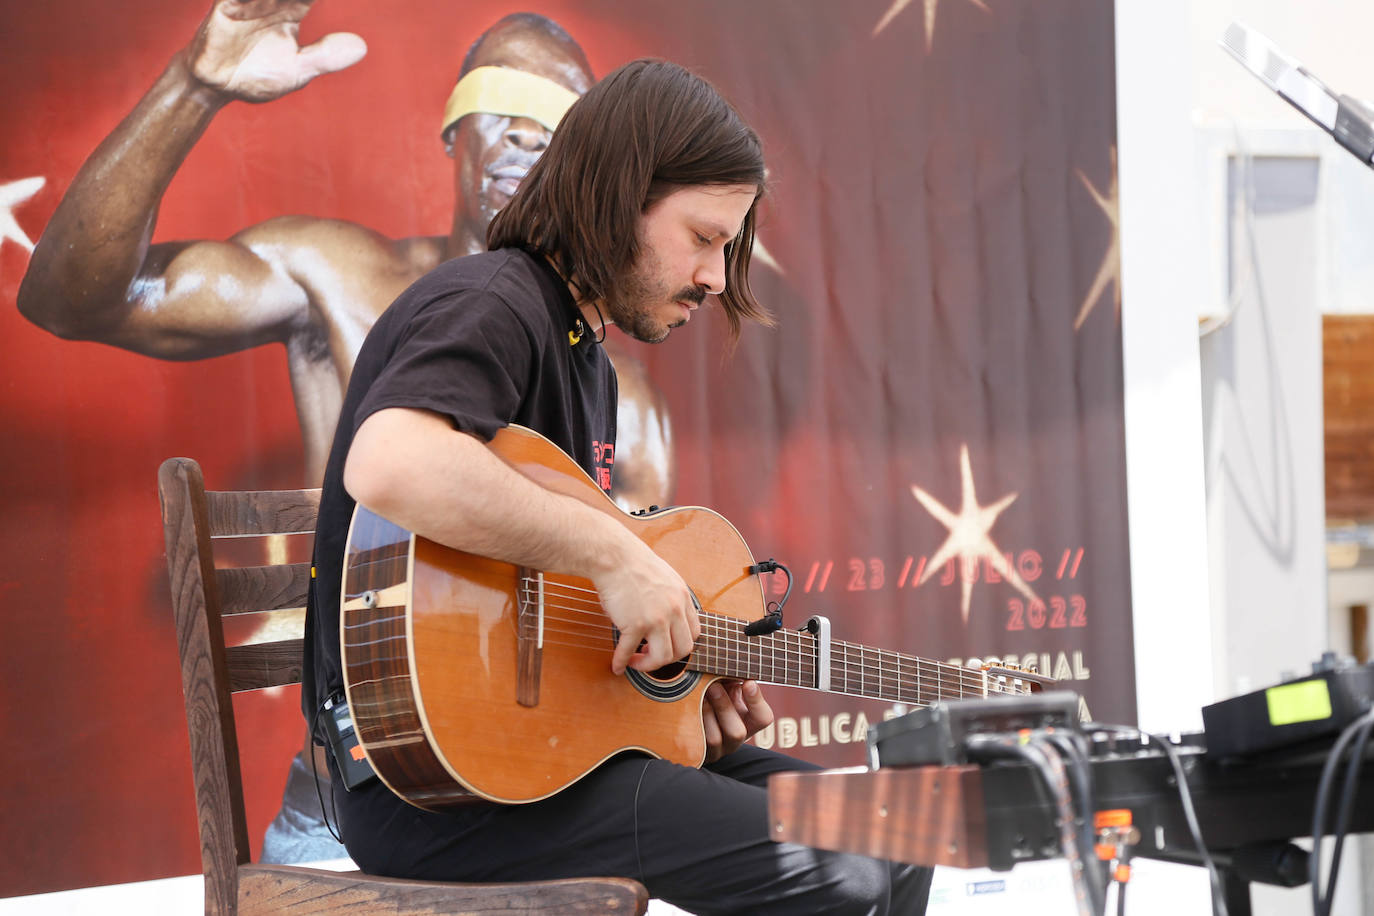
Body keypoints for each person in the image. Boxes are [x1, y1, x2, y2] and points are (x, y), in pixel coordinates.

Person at [15, 3, 673, 862]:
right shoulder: (340, 277)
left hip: (540, 801)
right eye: (502, 96)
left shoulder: (616, 390)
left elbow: (649, 633)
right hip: (365, 807)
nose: (524, 127)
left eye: (558, 112)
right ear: (452, 131)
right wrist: (192, 86)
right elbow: (69, 302)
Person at [305, 58, 932, 915]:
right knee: (835, 871)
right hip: (431, 787)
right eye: (705, 237)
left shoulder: (585, 360)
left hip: (550, 753)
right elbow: (390, 460)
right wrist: (614, 554)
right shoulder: (493, 299)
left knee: (896, 835)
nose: (716, 277)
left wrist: (680, 693)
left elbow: (549, 600)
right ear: (616, 194)